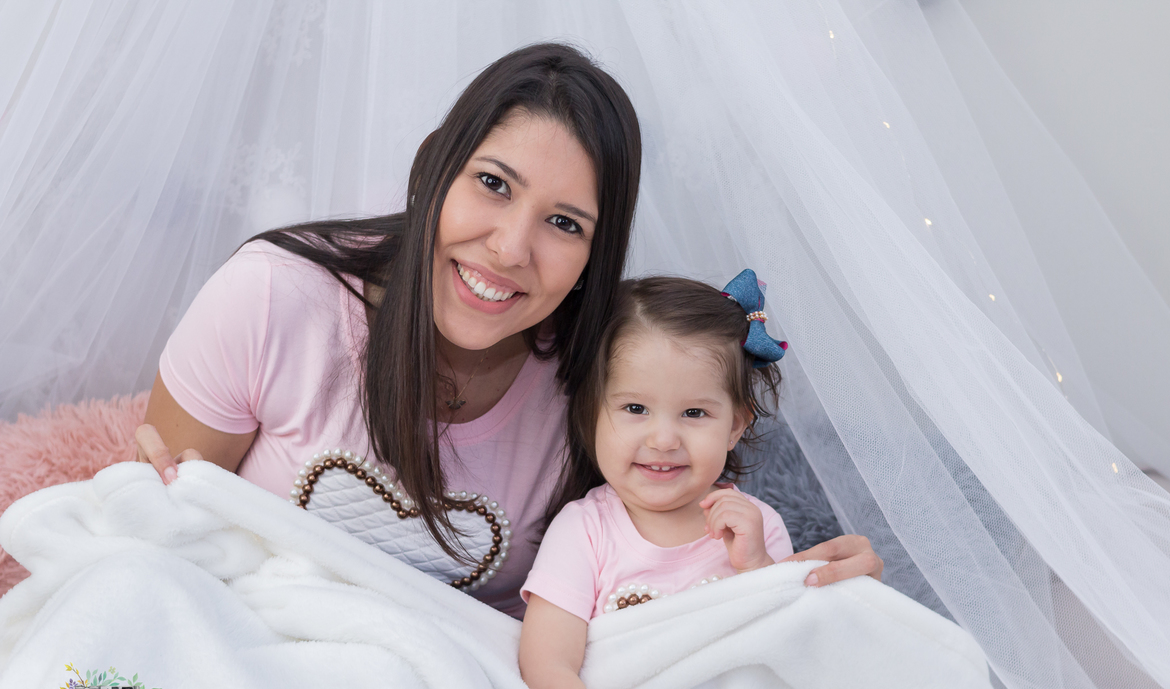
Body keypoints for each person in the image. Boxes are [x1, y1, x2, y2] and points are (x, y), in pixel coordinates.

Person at [134, 42, 883, 618]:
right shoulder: (273, 298)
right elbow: (165, 536)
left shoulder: (598, 383)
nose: (509, 248)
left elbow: (670, 566)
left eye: (564, 223)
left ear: (595, 256)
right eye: (493, 185)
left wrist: (799, 587)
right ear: (434, 173)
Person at [518, 272, 815, 689]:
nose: (662, 438)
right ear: (592, 413)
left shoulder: (756, 525)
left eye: (695, 413)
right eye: (634, 409)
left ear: (735, 426)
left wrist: (759, 573)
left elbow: (788, 661)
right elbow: (546, 664)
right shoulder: (586, 530)